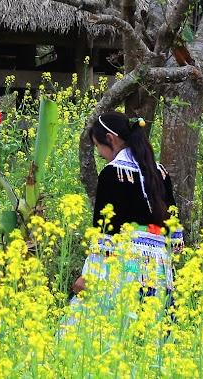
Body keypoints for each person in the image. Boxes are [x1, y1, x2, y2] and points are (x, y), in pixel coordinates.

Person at [71, 110, 179, 297]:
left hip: (124, 264)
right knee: (152, 322)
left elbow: (104, 229)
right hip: (159, 267)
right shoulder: (159, 172)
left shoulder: (112, 173)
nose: (100, 153)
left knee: (116, 321)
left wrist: (88, 274)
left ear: (110, 139)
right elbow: (173, 225)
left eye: (98, 146)